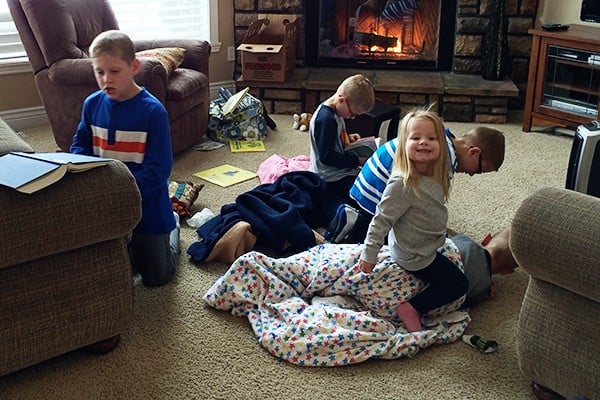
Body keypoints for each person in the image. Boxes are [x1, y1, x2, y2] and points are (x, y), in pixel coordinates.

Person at [70, 30, 179, 287]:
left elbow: (160, 168)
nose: (106, 79)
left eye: (114, 71)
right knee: (115, 272)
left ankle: (173, 227)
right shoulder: (92, 104)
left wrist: (123, 191)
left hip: (148, 207)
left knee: (156, 277)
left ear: (134, 67)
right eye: (99, 72)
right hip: (107, 202)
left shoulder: (153, 111)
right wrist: (88, 176)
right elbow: (80, 144)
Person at [358, 108, 468, 332]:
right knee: (459, 284)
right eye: (415, 138)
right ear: (403, 144)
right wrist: (369, 254)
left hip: (426, 242)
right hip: (414, 255)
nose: (423, 142)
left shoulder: (437, 174)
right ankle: (413, 307)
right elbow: (381, 219)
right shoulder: (403, 183)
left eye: (431, 138)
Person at [350, 124, 506, 216]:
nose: (472, 174)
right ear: (474, 152)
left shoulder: (442, 136)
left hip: (363, 185)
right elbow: (427, 205)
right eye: (478, 170)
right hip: (372, 201)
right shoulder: (443, 161)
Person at [308, 73, 376, 221]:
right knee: (364, 192)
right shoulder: (326, 120)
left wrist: (348, 138)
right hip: (329, 177)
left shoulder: (336, 112)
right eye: (353, 114)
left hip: (339, 171)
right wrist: (356, 161)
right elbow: (327, 157)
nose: (352, 118)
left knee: (369, 182)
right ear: (341, 100)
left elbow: (332, 139)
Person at [452, 227, 519, 308]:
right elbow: (467, 302)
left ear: (486, 240)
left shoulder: (463, 239)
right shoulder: (483, 287)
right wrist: (486, 293)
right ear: (507, 272)